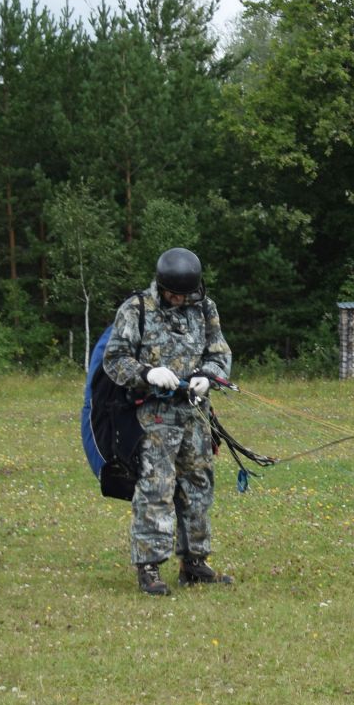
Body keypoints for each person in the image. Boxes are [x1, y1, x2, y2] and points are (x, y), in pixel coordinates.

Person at [101, 247, 235, 595]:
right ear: (161, 287)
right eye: (174, 294)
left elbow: (219, 353)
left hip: (195, 415)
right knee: (155, 489)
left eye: (185, 295)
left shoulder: (204, 308)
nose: (179, 300)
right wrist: (147, 373)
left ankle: (194, 563)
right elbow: (114, 360)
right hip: (153, 418)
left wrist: (209, 375)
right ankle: (149, 567)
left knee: (198, 487)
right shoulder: (136, 310)